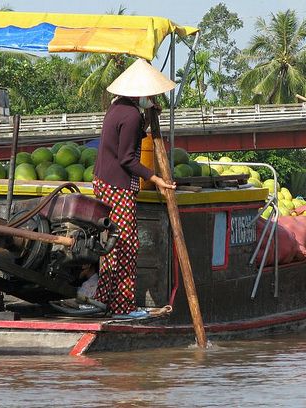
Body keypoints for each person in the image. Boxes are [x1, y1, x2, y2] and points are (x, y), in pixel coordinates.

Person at [92, 59, 176, 317]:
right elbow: (127, 158)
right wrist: (156, 178)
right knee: (127, 246)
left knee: (112, 247)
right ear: (140, 93)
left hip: (104, 182)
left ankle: (103, 300)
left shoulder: (119, 108)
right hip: (116, 186)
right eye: (150, 95)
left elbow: (128, 137)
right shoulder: (129, 115)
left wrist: (149, 118)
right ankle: (122, 306)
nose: (152, 98)